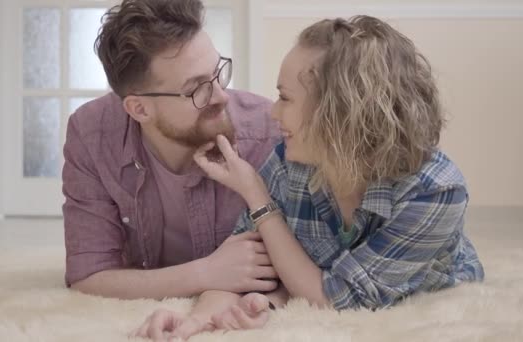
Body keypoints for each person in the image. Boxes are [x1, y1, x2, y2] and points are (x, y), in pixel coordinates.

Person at [132, 15, 485, 340]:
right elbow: (245, 262)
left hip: (409, 294)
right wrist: (199, 320)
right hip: (310, 277)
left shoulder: (435, 191)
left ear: (341, 112)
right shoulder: (292, 161)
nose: (273, 111)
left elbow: (338, 299)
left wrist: (257, 196)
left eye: (285, 98)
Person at [62, 0, 280, 299]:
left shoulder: (267, 132)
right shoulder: (91, 134)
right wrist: (206, 273)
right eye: (196, 88)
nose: (221, 96)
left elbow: (302, 266)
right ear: (139, 108)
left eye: (218, 72)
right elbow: (88, 276)